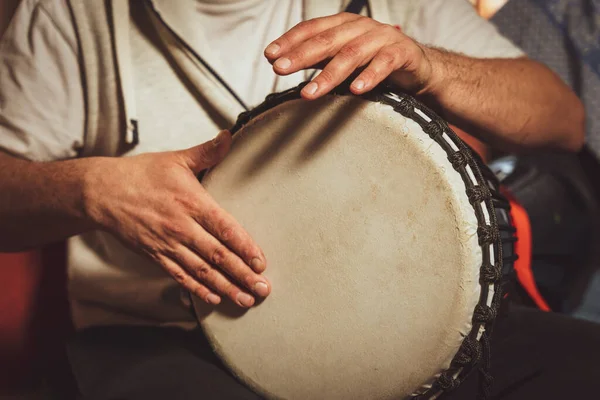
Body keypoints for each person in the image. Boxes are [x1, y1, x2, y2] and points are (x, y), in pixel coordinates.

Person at [0, 0, 598, 399]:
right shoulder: (70, 14)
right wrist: (92, 188)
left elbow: (563, 120)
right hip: (165, 338)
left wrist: (430, 66)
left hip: (407, 333)